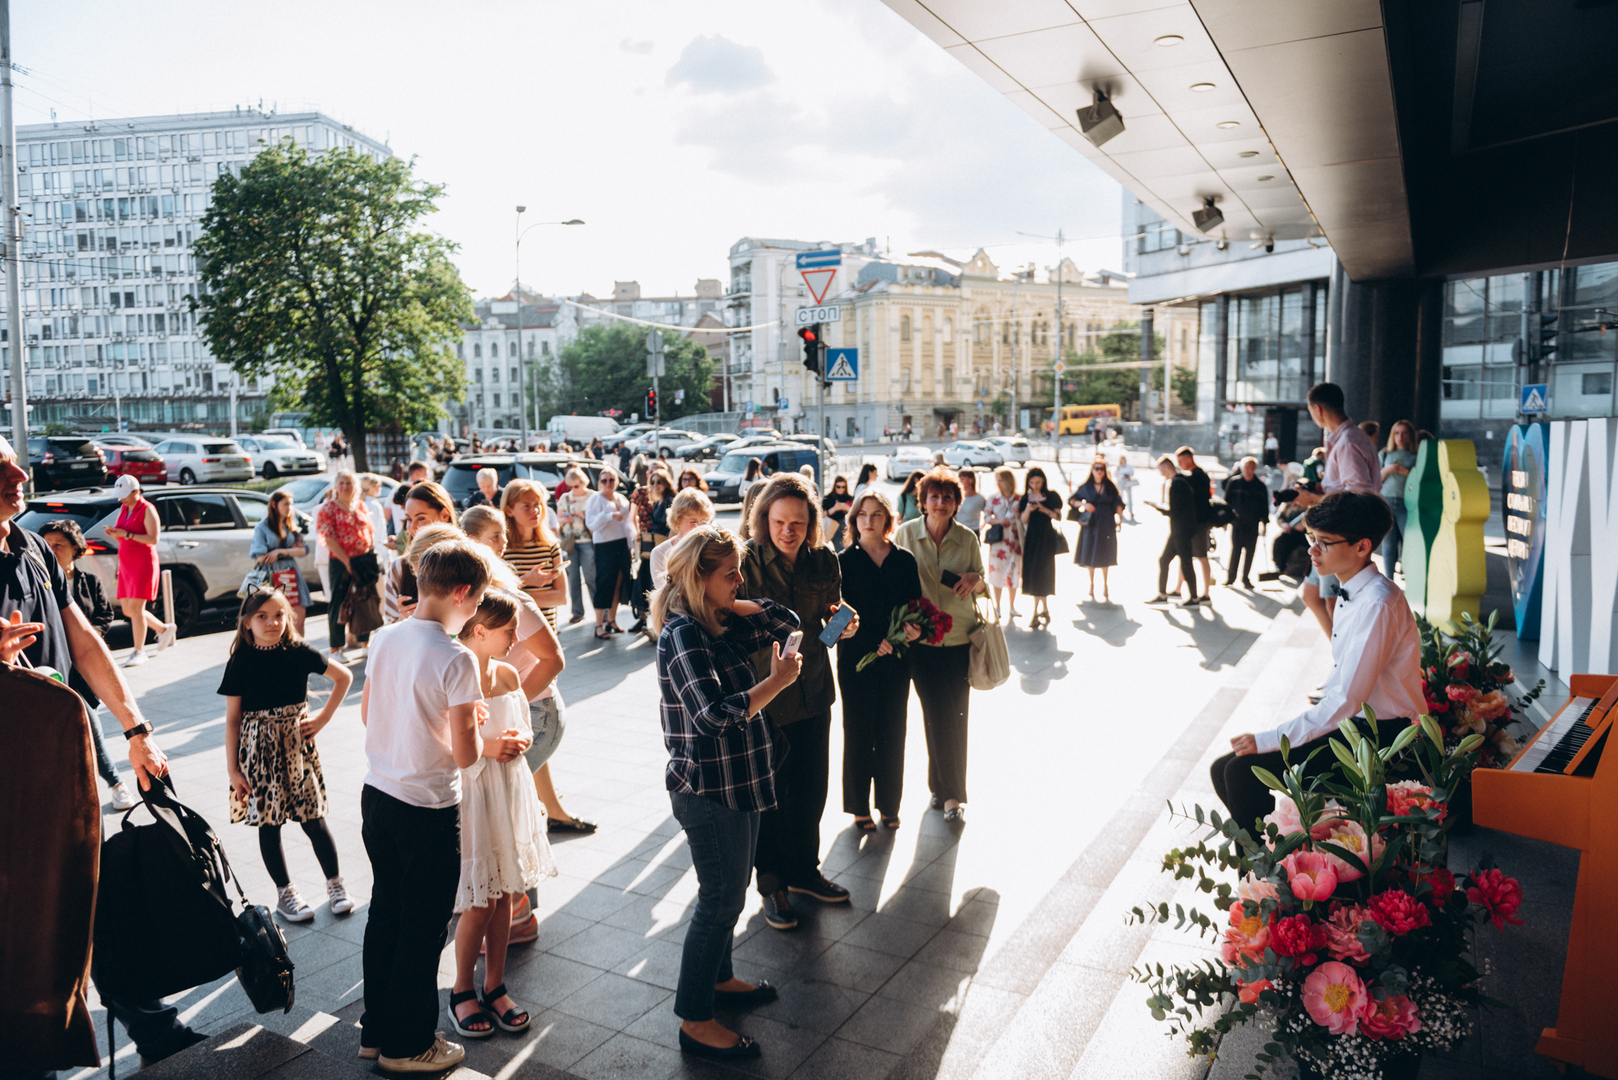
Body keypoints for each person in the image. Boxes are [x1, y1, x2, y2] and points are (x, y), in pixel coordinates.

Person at [0, 435, 204, 1072]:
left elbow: (81, 637)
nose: (17, 470)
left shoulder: (28, 543)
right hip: (10, 788)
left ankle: (152, 1027)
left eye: (11, 457)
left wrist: (136, 729)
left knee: (85, 900)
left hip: (59, 763)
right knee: (31, 927)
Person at [653, 526, 801, 1061]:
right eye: (730, 573)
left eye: (739, 571)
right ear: (698, 578)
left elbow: (789, 623)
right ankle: (695, 1019)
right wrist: (776, 685)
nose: (741, 580)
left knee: (727, 893)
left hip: (741, 779)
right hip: (709, 788)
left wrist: (729, 598)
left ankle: (720, 980)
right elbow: (712, 716)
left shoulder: (717, 623)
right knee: (721, 899)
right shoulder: (683, 635)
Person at [358, 536, 492, 1072]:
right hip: (428, 809)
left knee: (385, 916)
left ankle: (376, 1031)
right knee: (423, 928)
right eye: (478, 601)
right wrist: (477, 725)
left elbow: (370, 715)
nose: (477, 611)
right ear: (462, 593)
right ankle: (409, 1044)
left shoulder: (384, 637)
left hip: (377, 794)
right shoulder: (457, 657)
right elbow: (465, 756)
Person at [1210, 493, 1422, 829]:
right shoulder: (1355, 592)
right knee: (1225, 768)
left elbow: (1347, 699)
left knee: (1240, 771)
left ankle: (1273, 871)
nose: (1312, 550)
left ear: (1362, 547)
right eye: (1312, 539)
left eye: (1324, 542)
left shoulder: (1378, 605)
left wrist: (1269, 739)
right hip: (1357, 725)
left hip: (1382, 738)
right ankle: (1271, 863)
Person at [740, 473, 859, 931]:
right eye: (778, 520)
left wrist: (842, 625)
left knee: (811, 791)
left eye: (797, 521)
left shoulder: (824, 559)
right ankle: (773, 886)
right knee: (770, 796)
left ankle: (805, 872)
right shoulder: (746, 561)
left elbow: (830, 620)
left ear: (811, 521)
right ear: (763, 518)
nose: (787, 530)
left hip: (814, 692)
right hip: (766, 696)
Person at [446, 588, 555, 1041]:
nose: (515, 638)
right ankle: (460, 990)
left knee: (507, 888)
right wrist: (490, 746)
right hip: (474, 793)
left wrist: (519, 741)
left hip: (508, 789)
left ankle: (495, 984)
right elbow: (445, 746)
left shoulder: (509, 674)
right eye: (508, 630)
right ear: (479, 631)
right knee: (479, 899)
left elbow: (523, 726)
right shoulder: (455, 674)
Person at [221, 587, 355, 924]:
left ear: (289, 617)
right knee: (270, 822)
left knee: (314, 817)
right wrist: (233, 770)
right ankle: (285, 893)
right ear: (247, 622)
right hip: (257, 750)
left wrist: (322, 718)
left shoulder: (298, 651)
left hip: (297, 747)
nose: (272, 622)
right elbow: (233, 718)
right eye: (262, 616)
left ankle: (335, 884)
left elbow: (344, 677)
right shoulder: (241, 660)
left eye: (279, 614)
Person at [460, 507, 594, 845]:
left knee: (504, 808)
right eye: (496, 536)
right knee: (513, 796)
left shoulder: (511, 597)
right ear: (471, 543)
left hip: (538, 710)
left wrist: (512, 705)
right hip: (511, 710)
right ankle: (554, 816)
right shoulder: (470, 598)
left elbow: (554, 659)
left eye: (504, 534)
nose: (504, 543)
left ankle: (520, 889)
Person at [894, 468, 986, 823]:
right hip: (921, 642)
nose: (941, 503)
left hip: (960, 638)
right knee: (935, 713)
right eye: (934, 496)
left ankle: (949, 794)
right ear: (923, 501)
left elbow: (983, 583)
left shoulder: (967, 539)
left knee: (955, 715)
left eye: (948, 497)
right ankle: (945, 790)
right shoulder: (905, 534)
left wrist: (974, 579)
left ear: (956, 503)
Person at [837, 491, 922, 831]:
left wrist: (912, 631)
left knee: (892, 731)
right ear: (853, 520)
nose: (868, 521)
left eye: (875, 514)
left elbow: (916, 607)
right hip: (857, 658)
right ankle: (859, 807)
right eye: (862, 515)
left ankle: (889, 805)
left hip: (896, 659)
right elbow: (836, 615)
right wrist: (873, 640)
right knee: (858, 732)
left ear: (888, 519)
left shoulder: (904, 559)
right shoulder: (842, 562)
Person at [39, 519, 135, 809]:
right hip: (53, 668)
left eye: (59, 545)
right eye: (47, 544)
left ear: (75, 549)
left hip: (84, 670)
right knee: (90, 727)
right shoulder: (37, 582)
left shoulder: (88, 581)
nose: (52, 550)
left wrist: (86, 642)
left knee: (85, 729)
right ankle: (116, 783)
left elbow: (105, 615)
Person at [1288, 383, 1382, 637]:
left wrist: (1314, 498)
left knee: (1334, 602)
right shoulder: (1345, 438)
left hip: (1341, 536)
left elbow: (1359, 495)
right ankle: (1342, 656)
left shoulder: (1348, 442)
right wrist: (1319, 487)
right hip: (1334, 534)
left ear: (1317, 409)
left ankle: (1344, 660)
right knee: (1311, 595)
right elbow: (1345, 485)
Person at [105, 474, 174, 666]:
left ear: (136, 492)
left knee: (136, 608)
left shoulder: (148, 509)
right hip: (126, 563)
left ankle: (139, 651)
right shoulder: (124, 507)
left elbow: (153, 539)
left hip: (143, 563)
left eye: (125, 494)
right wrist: (115, 534)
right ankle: (163, 629)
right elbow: (123, 538)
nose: (121, 498)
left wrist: (125, 534)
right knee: (128, 609)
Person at [317, 471, 376, 664]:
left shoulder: (360, 505)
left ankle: (365, 643)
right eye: (341, 482)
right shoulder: (328, 508)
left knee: (365, 600)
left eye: (349, 482)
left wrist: (371, 554)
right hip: (341, 561)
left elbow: (369, 530)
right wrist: (347, 562)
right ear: (336, 486)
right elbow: (328, 538)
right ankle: (336, 648)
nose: (345, 486)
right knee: (339, 603)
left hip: (363, 559)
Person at [385, 480, 456, 623]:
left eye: (421, 518)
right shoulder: (399, 567)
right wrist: (403, 618)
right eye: (409, 519)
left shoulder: (468, 561)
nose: (412, 527)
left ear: (444, 515)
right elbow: (389, 627)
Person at [501, 479, 567, 630]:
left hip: (547, 632)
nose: (535, 510)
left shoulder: (551, 545)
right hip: (513, 637)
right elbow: (496, 595)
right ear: (509, 510)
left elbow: (561, 597)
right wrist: (526, 580)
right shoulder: (502, 549)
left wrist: (518, 593)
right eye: (526, 506)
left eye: (537, 504)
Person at [251, 489, 311, 635]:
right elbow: (260, 556)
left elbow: (304, 550)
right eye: (285, 504)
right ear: (274, 505)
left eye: (291, 504)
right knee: (276, 618)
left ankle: (298, 653)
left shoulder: (290, 525)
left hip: (291, 574)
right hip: (272, 575)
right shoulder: (262, 527)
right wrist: (289, 551)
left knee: (298, 618)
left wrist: (280, 552)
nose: (289, 508)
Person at [586, 469, 635, 639]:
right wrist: (609, 516)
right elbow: (591, 523)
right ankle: (599, 624)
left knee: (618, 582)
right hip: (604, 544)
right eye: (605, 480)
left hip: (622, 543)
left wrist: (631, 545)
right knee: (604, 582)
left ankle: (611, 620)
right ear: (600, 482)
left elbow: (628, 523)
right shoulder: (595, 498)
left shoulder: (621, 498)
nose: (608, 484)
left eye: (611, 480)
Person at [1145, 455, 1199, 607]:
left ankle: (1193, 598)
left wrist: (1158, 507)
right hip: (1182, 530)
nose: (1160, 473)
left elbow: (1173, 511)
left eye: (1161, 469)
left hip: (1180, 531)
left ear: (1167, 467)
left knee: (1185, 563)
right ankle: (1163, 595)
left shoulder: (1176, 484)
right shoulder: (1183, 480)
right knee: (1167, 560)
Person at [1069, 459, 1123, 602]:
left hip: (1106, 523)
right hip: (1091, 524)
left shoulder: (1110, 487)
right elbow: (1072, 500)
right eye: (1096, 468)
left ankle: (1105, 584)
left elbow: (1118, 503)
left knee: (1105, 553)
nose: (1099, 471)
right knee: (1089, 552)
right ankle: (1091, 584)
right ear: (1092, 470)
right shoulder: (1086, 487)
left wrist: (1120, 518)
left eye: (1102, 469)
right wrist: (1084, 504)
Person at [1017, 467, 1062, 628]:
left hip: (1047, 537)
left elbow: (1058, 516)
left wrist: (1044, 509)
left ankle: (1037, 612)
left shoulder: (1051, 496)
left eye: (1038, 482)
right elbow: (1023, 520)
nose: (1035, 486)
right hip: (1032, 538)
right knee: (1035, 572)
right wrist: (1029, 509)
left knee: (1044, 571)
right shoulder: (1025, 498)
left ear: (1043, 481)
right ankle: (1044, 609)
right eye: (1032, 483)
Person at [632, 471, 675, 632]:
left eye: (659, 482)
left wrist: (666, 546)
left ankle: (658, 625)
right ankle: (644, 620)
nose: (655, 486)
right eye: (653, 482)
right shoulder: (657, 502)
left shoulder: (670, 501)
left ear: (666, 483)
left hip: (663, 546)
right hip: (653, 547)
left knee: (657, 585)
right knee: (642, 581)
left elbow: (672, 526)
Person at [555, 468, 597, 625]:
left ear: (583, 482)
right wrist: (565, 519)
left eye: (576, 486)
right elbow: (558, 518)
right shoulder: (565, 498)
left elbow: (596, 517)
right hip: (570, 541)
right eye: (570, 486)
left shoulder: (592, 496)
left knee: (591, 576)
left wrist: (584, 518)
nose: (573, 490)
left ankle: (600, 610)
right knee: (573, 578)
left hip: (587, 540)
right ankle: (577, 612)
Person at [653, 489, 715, 591]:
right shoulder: (660, 553)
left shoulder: (712, 547)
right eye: (693, 522)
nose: (699, 527)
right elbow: (665, 594)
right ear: (677, 520)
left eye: (704, 521)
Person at [1222, 457, 1269, 589]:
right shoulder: (1234, 482)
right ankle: (1231, 578)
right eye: (1245, 467)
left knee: (1250, 552)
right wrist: (1225, 519)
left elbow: (1264, 507)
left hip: (1253, 524)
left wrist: (1265, 523)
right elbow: (1227, 502)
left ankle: (1245, 578)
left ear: (1254, 469)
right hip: (1237, 522)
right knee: (1235, 550)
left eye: (1250, 467)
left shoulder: (1260, 486)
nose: (1247, 470)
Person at [1174, 447, 1213, 605]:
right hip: (1192, 522)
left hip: (1200, 522)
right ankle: (1178, 589)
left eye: (1181, 461)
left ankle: (1206, 593)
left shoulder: (1198, 475)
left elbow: (1202, 497)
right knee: (1185, 556)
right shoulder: (1194, 475)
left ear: (1188, 459)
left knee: (1202, 556)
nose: (1180, 464)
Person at [1379, 419, 1418, 576]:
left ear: (1410, 436)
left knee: (1409, 541)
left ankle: (1410, 576)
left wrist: (1409, 473)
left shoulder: (1416, 455)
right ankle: (1389, 578)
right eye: (1396, 433)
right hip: (1386, 500)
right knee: (1388, 544)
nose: (1400, 437)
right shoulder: (1385, 453)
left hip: (1406, 501)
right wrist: (1387, 469)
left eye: (1404, 433)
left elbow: (1421, 480)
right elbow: (1376, 478)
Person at [984, 467, 1024, 619]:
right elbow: (987, 517)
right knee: (997, 572)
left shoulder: (1019, 498)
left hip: (1015, 540)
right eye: (997, 481)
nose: (999, 484)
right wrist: (999, 520)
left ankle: (1012, 606)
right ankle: (998, 606)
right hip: (999, 540)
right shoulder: (994, 498)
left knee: (1014, 572)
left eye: (1001, 480)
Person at [737, 458, 767, 541]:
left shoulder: (745, 477)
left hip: (748, 501)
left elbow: (740, 492)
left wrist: (750, 495)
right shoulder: (760, 478)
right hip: (759, 501)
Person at [821, 475, 853, 551]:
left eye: (843, 487)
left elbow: (856, 512)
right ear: (834, 486)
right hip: (833, 525)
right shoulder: (828, 498)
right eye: (838, 487)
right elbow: (821, 515)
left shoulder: (850, 498)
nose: (841, 489)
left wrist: (847, 508)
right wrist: (834, 509)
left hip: (846, 526)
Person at [1116, 453, 1138, 520]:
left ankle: (1130, 511)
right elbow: (1116, 474)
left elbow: (1132, 472)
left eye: (1124, 459)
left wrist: (1128, 476)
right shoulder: (1118, 467)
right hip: (1121, 482)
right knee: (1121, 497)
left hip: (1127, 482)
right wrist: (1122, 475)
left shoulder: (1129, 466)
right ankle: (1121, 511)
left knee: (1129, 497)